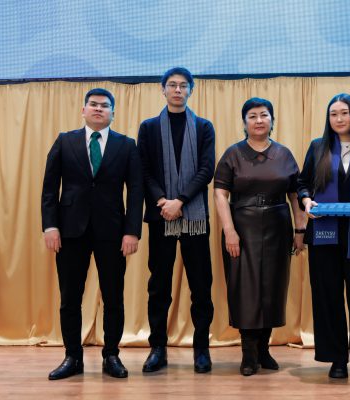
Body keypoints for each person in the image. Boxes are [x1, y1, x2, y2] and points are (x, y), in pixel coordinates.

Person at [41, 88, 143, 380]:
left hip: (113, 232)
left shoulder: (127, 145)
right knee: (69, 298)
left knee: (114, 297)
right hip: (70, 231)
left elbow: (136, 191)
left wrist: (132, 231)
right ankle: (72, 356)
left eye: (105, 106)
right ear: (83, 110)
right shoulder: (65, 141)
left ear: (113, 113)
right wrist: (50, 226)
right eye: (93, 105)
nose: (99, 109)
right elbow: (50, 188)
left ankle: (111, 355)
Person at [213, 98, 306, 376]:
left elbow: (295, 195)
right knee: (246, 289)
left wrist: (300, 230)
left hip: (278, 226)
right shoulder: (233, 154)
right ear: (244, 122)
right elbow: (220, 194)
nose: (258, 120)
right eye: (252, 116)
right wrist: (229, 230)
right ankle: (248, 353)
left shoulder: (284, 154)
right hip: (242, 227)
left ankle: (264, 350)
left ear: (272, 120)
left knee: (272, 288)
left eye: (264, 115)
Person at [298, 93, 350, 379]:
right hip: (324, 236)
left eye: (344, 113)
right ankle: (337, 359)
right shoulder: (317, 147)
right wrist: (306, 200)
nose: (339, 118)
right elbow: (302, 183)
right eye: (333, 114)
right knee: (328, 298)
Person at [137, 67, 215, 374]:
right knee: (159, 286)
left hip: (194, 216)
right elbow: (143, 170)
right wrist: (163, 202)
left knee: (201, 285)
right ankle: (158, 348)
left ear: (191, 90)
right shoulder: (148, 128)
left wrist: (179, 201)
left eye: (183, 85)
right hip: (161, 216)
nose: (178, 90)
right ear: (163, 90)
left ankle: (201, 349)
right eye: (172, 85)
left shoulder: (204, 127)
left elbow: (206, 170)